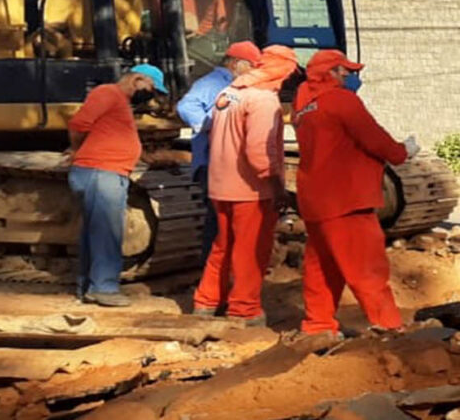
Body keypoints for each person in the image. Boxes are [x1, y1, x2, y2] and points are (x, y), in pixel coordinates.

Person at [292, 49, 418, 335]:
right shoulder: (340, 100)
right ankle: (388, 326)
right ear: (330, 73)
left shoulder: (304, 105)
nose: (348, 75)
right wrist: (402, 151)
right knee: (367, 267)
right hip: (347, 198)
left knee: (322, 268)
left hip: (315, 199)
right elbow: (373, 137)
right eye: (343, 70)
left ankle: (318, 325)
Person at [190, 45, 296, 324]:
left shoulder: (228, 94)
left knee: (222, 246)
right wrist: (276, 186)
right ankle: (244, 309)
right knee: (250, 251)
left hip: (220, 183)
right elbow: (260, 151)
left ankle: (206, 301)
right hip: (250, 189)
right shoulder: (263, 100)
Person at [65, 64, 167, 307]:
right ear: (137, 79)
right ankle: (104, 288)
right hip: (101, 171)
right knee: (107, 232)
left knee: (95, 232)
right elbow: (78, 124)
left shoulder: (119, 100)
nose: (150, 95)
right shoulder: (108, 93)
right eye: (151, 88)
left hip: (105, 171)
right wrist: (77, 150)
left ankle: (89, 287)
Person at [176, 41, 262, 258]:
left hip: (226, 165)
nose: (254, 71)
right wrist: (214, 125)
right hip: (212, 164)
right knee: (217, 222)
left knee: (225, 222)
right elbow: (186, 106)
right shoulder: (213, 83)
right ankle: (211, 269)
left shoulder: (237, 87)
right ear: (236, 63)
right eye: (251, 65)